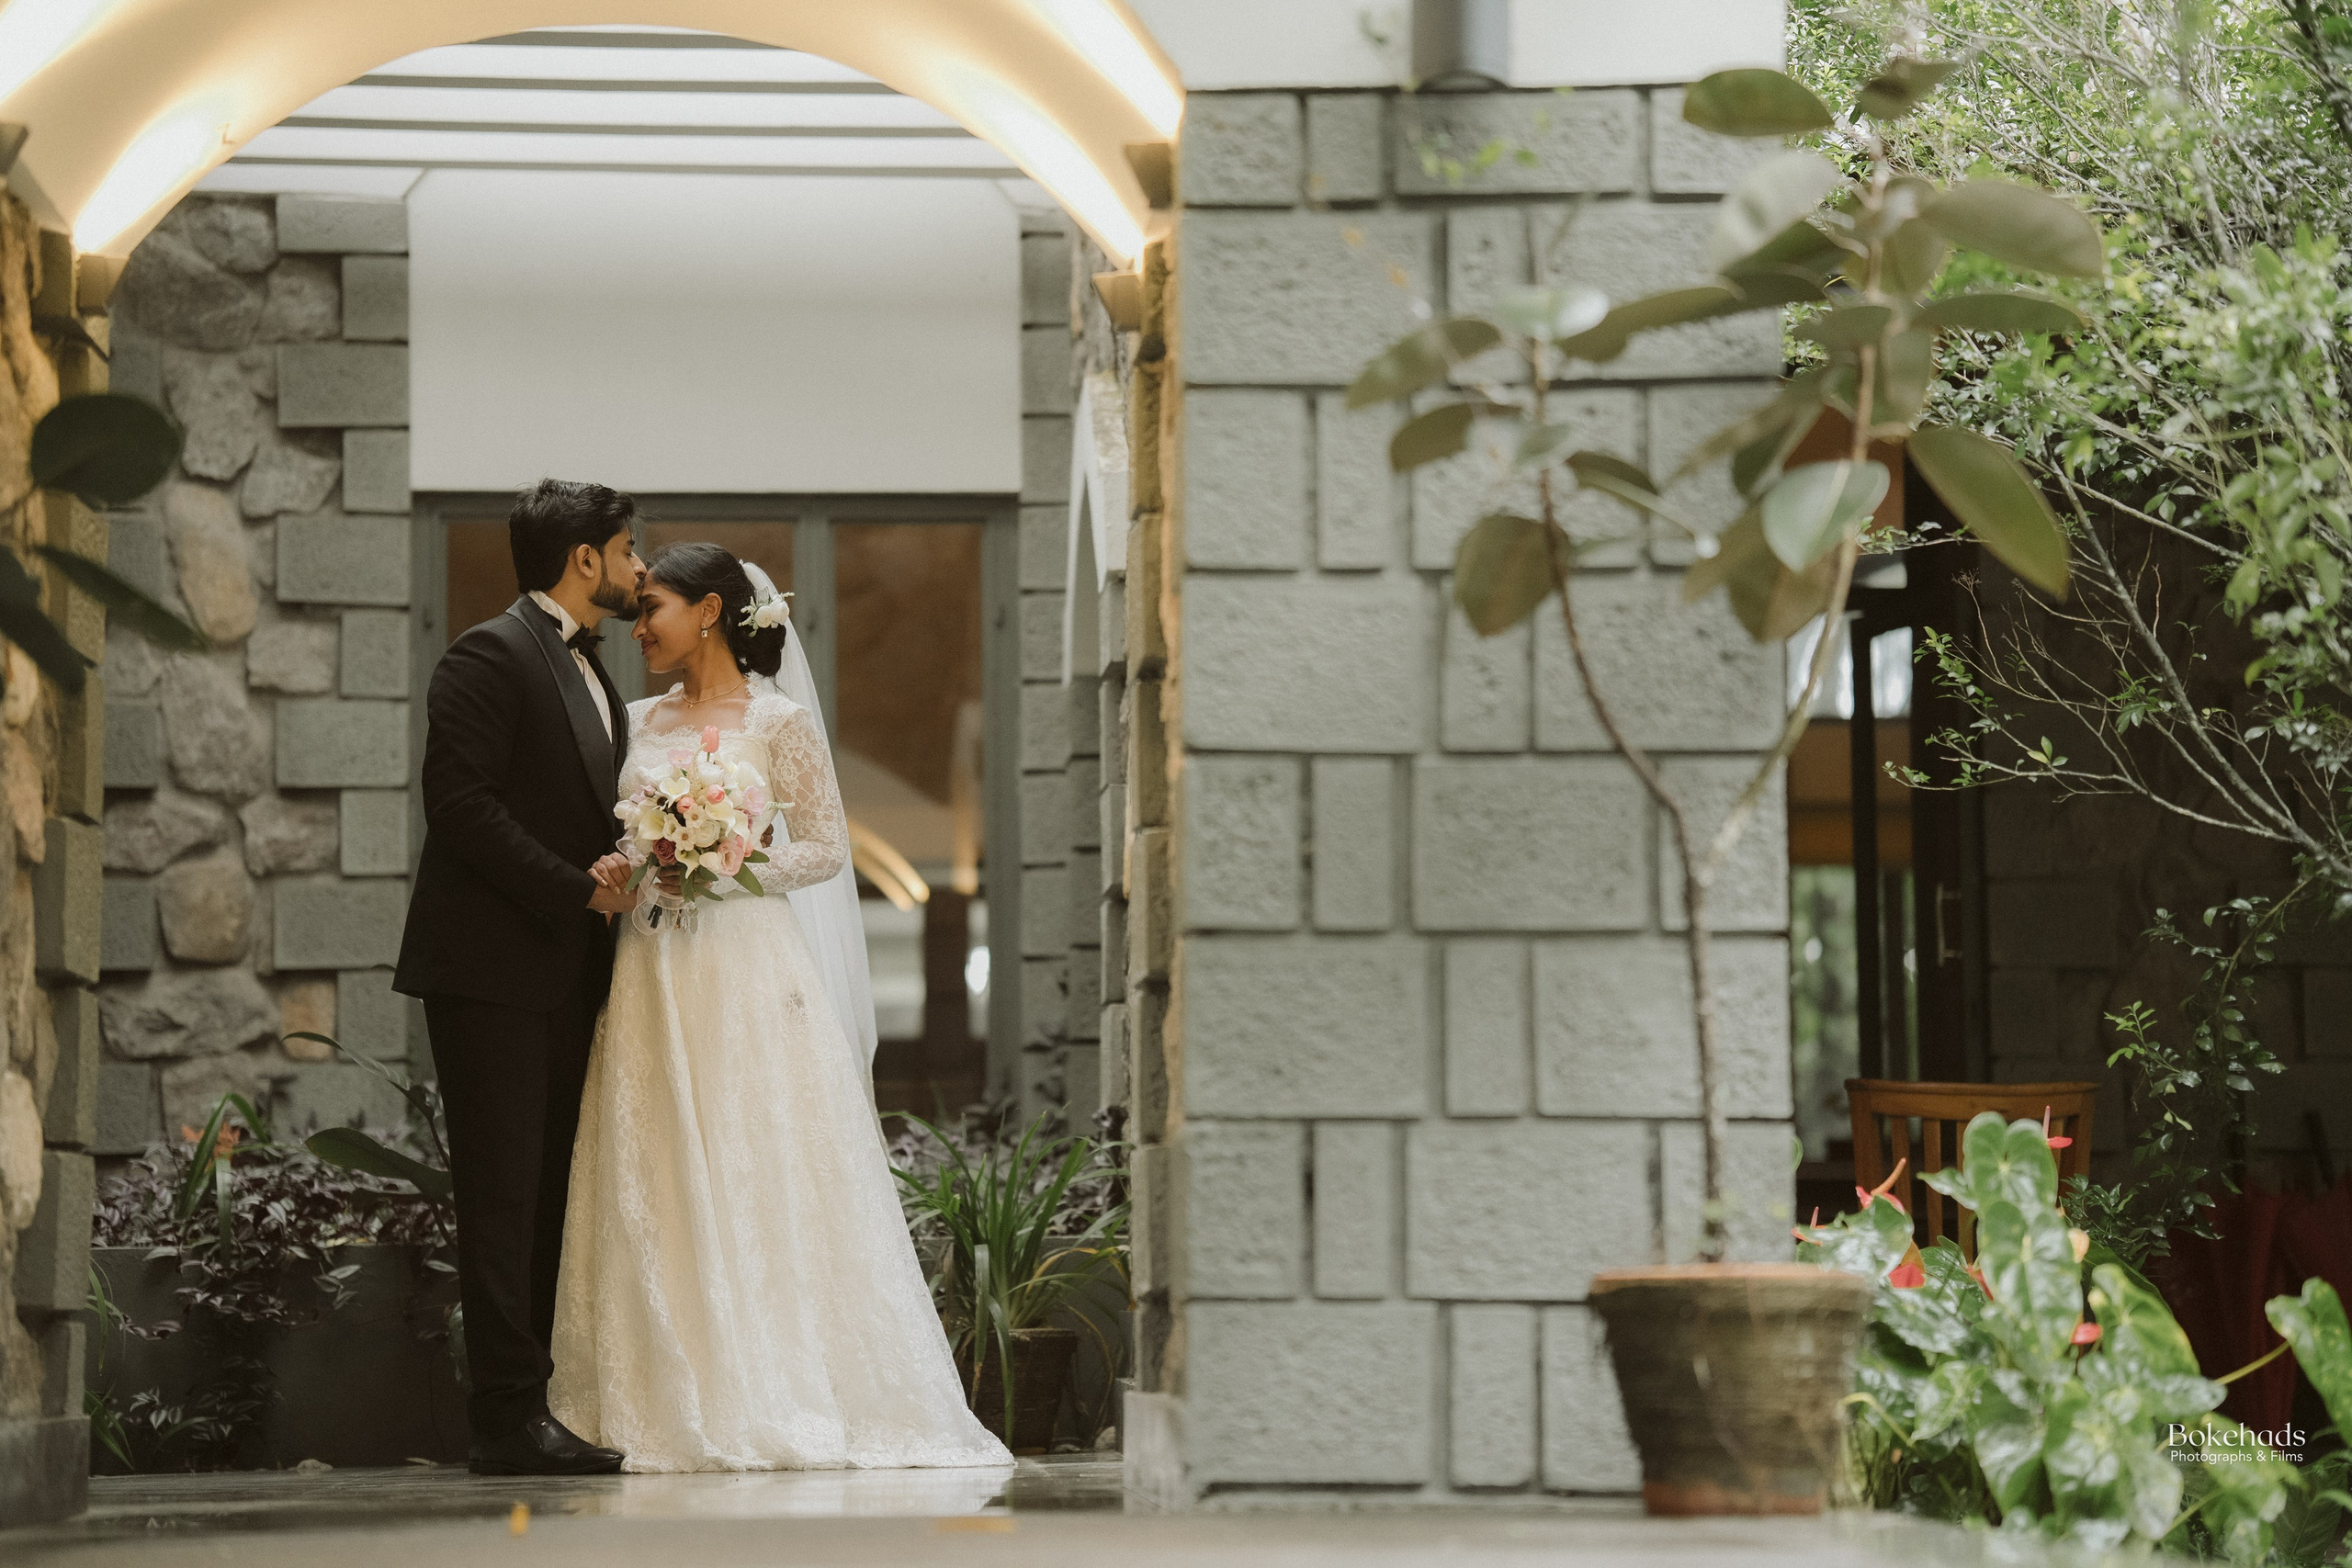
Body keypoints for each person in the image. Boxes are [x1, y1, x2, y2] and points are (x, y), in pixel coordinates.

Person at [548, 541, 1010, 1474]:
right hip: (652, 969)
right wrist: (642, 861)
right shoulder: (632, 720)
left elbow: (827, 850)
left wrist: (725, 862)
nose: (639, 629)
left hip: (748, 962)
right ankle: (654, 1387)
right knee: (660, 1157)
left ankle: (779, 1381)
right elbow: (614, 844)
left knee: (760, 1159)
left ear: (710, 612)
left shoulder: (780, 720)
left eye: (655, 610)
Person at [391, 479, 645, 1476]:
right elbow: (459, 805)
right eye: (627, 552)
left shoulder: (591, 671)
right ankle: (504, 1418)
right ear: (583, 558)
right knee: (501, 1197)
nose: (635, 571)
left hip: (568, 975)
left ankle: (529, 1411)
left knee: (544, 1196)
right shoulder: (488, 654)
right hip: (492, 973)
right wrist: (575, 890)